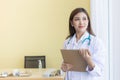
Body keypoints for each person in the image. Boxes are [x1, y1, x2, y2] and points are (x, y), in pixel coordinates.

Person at [61, 8, 105, 80]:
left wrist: (88, 60)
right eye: (77, 19)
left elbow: (99, 72)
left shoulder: (96, 42)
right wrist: (63, 68)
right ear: (72, 23)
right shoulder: (67, 42)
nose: (81, 22)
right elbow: (64, 65)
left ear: (88, 21)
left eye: (84, 19)